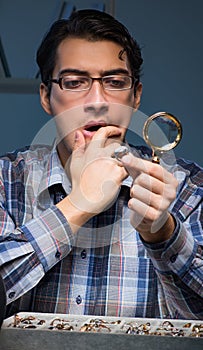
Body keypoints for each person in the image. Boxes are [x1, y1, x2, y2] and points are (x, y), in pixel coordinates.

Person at [0, 9, 202, 320]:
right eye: (75, 81)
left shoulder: (189, 188)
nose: (97, 100)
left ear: (135, 97)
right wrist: (78, 204)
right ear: (46, 97)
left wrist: (164, 234)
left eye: (115, 81)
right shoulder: (4, 182)